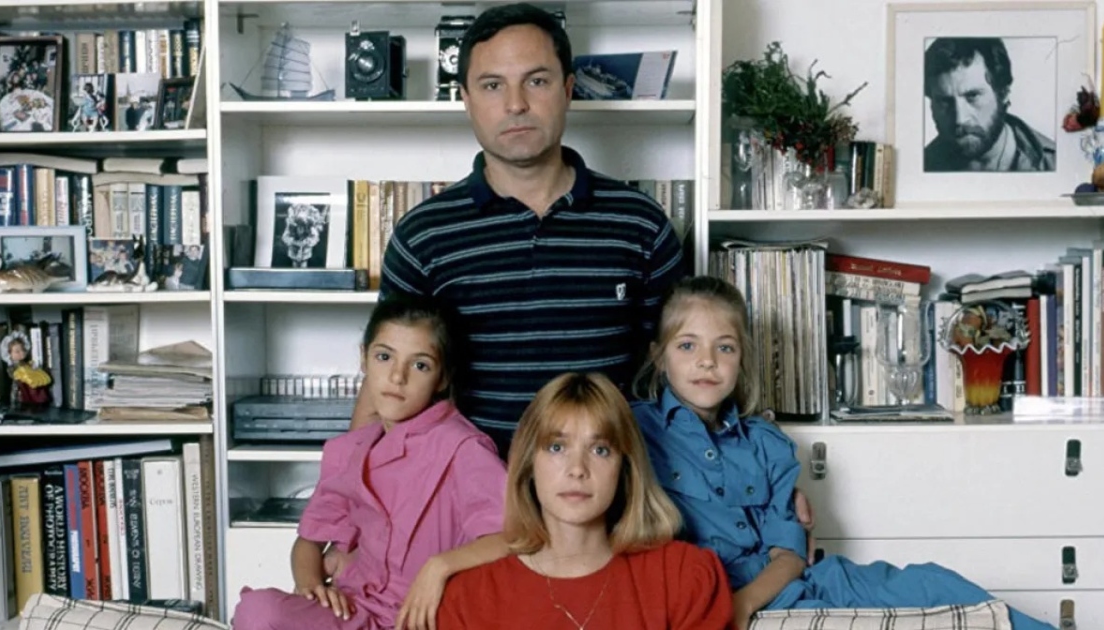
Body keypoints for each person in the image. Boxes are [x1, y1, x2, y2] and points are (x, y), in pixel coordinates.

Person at [350, 2, 687, 457]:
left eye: (537, 81)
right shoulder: (421, 237)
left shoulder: (641, 224)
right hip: (465, 493)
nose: (516, 104)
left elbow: (675, 375)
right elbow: (385, 387)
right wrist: (348, 490)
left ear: (568, 89)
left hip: (608, 490)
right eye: (493, 85)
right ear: (466, 99)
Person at [630, 275, 1058, 630]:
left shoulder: (765, 442)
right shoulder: (635, 432)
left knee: (933, 584)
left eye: (724, 347)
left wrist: (743, 605)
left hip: (791, 584)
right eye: (687, 345)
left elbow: (789, 555)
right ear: (659, 357)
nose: (707, 361)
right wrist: (731, 607)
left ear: (741, 359)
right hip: (720, 594)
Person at [231, 296, 510, 630]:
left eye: (420, 365)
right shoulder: (352, 450)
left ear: (442, 378)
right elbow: (308, 541)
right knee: (257, 610)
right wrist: (313, 588)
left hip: (424, 619)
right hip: (353, 611)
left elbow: (515, 539)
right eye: (384, 357)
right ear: (363, 358)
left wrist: (440, 566)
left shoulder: (463, 449)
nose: (397, 376)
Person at [437, 372, 734, 629]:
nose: (577, 469)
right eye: (556, 447)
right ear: (528, 464)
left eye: (600, 450)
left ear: (625, 468)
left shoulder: (684, 576)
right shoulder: (469, 598)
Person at [923, 37, 1056, 172]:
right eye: (944, 101)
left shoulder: (1055, 164)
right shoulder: (921, 166)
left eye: (973, 96)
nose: (960, 119)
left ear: (1004, 93)